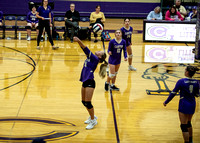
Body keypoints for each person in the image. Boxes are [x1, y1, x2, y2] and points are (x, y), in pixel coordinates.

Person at [73, 36, 108, 129]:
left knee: (88, 102)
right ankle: (93, 116)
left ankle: (93, 120)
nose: (98, 50)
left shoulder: (95, 59)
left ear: (99, 56)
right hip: (85, 81)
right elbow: (84, 50)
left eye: (100, 51)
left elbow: (84, 47)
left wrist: (78, 40)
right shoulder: (92, 58)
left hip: (90, 82)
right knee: (84, 102)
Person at [163, 66, 200, 143]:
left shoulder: (181, 81)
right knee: (189, 122)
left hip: (184, 104)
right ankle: (191, 140)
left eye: (185, 70)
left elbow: (173, 93)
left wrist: (166, 101)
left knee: (183, 126)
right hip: (192, 104)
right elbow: (197, 94)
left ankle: (186, 142)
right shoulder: (197, 82)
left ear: (187, 72)